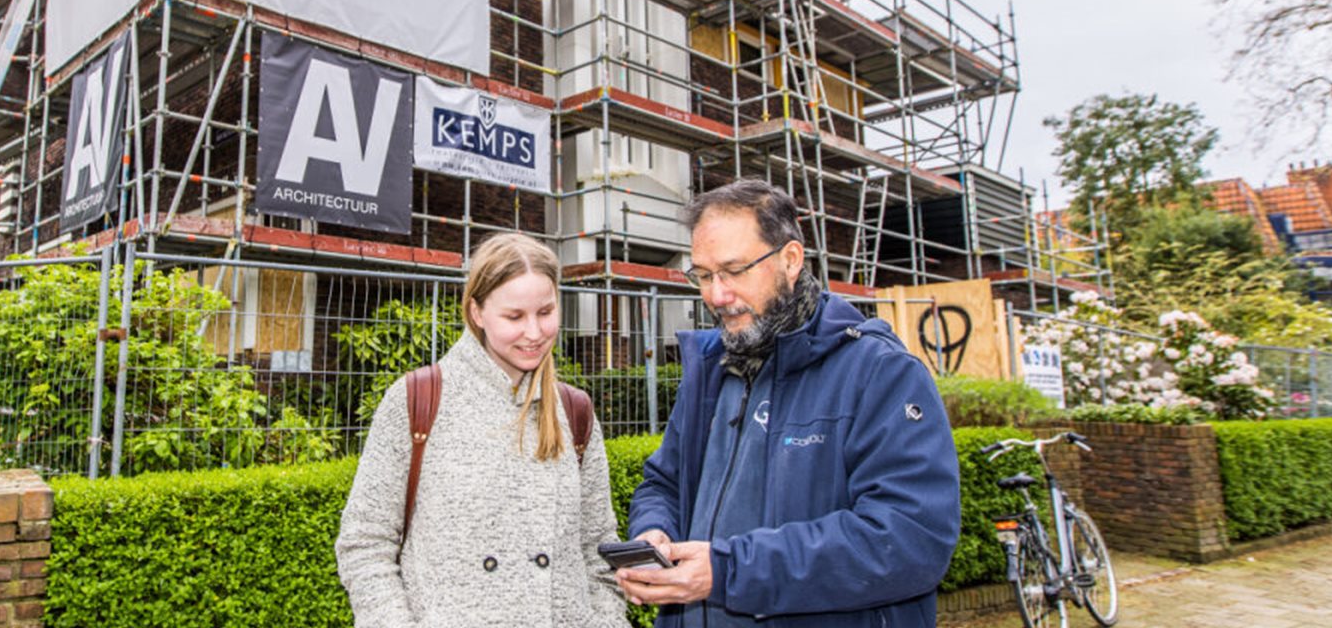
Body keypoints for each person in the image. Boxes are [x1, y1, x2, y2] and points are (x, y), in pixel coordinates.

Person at [617, 180, 960, 627]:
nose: (716, 296)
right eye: (703, 275)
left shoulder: (879, 373)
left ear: (791, 260)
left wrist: (729, 571)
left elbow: (909, 538)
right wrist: (654, 532)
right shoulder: (712, 369)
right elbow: (664, 483)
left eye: (735, 270)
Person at [336, 232, 631, 628]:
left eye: (545, 312)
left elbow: (598, 547)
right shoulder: (418, 399)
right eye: (514, 317)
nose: (534, 332)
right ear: (477, 312)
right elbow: (365, 542)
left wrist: (607, 622)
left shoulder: (573, 411)